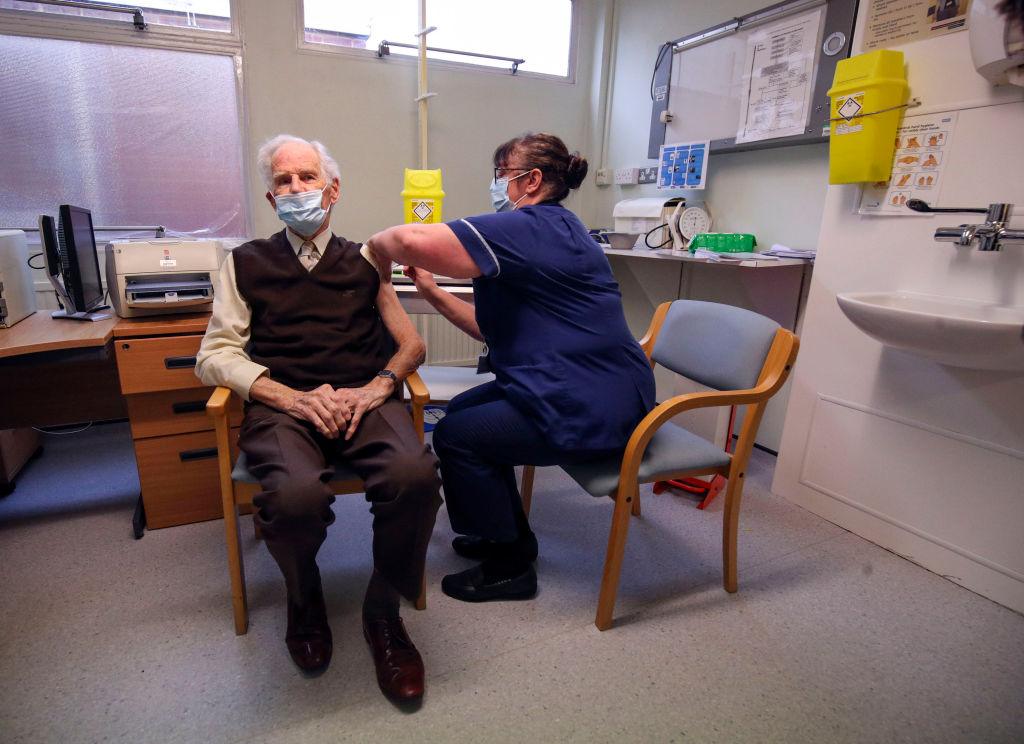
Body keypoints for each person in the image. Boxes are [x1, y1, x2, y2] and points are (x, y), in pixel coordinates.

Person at [196, 134, 441, 705]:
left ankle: (383, 612)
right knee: (294, 498)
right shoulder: (244, 262)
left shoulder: (366, 259)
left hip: (362, 398)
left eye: (307, 178)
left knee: (416, 475)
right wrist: (287, 396)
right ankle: (304, 595)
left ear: (332, 190)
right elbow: (214, 353)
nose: (296, 189)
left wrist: (377, 388)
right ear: (270, 196)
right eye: (283, 182)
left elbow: (409, 346)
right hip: (285, 407)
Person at [365, 132, 656, 603]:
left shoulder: (533, 226)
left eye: (502, 175)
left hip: (594, 401)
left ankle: (511, 564)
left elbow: (408, 238)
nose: (497, 185)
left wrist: (375, 248)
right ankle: (493, 528)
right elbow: (490, 330)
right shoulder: (558, 227)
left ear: (532, 180)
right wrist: (434, 291)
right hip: (590, 382)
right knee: (459, 414)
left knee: (461, 437)